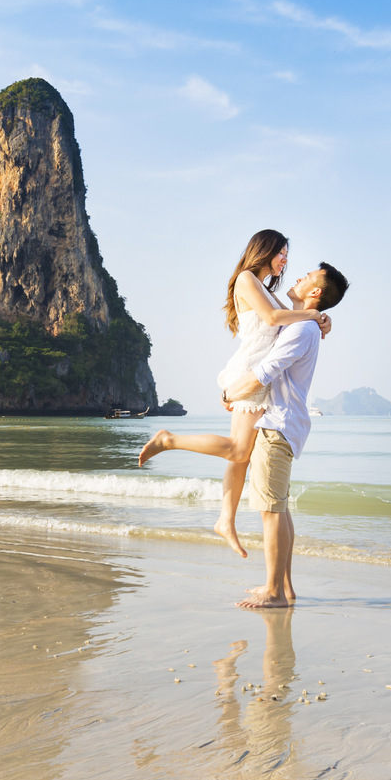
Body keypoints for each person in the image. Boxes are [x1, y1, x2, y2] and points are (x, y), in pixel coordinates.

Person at [138, 230, 330, 558]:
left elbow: (289, 324)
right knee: (239, 451)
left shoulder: (269, 292)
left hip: (258, 375)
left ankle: (226, 520)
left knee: (239, 457)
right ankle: (169, 440)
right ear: (264, 251)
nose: (285, 259)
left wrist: (321, 321)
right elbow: (273, 320)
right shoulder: (246, 279)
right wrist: (312, 314)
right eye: (281, 252)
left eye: (287, 254)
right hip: (251, 372)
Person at [225, 264, 346, 608]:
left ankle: (274, 591)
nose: (298, 277)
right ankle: (285, 587)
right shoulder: (305, 323)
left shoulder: (301, 329)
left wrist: (230, 394)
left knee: (271, 511)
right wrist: (322, 319)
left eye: (307, 276)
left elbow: (265, 372)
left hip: (277, 424)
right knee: (280, 509)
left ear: (316, 293)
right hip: (285, 423)